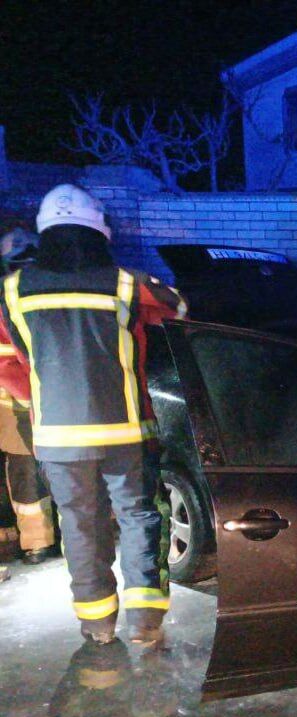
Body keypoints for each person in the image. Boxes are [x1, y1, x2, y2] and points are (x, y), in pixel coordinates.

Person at [0, 184, 187, 645]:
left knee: (79, 525)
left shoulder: (13, 289)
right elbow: (179, 310)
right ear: (99, 231)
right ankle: (145, 621)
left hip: (58, 438)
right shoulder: (127, 283)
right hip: (123, 433)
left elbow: (9, 361)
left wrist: (39, 396)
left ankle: (97, 624)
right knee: (140, 515)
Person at [0, 228, 57, 566]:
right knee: (26, 472)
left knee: (31, 472)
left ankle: (40, 540)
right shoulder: (9, 301)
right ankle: (36, 541)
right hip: (19, 402)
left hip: (26, 401)